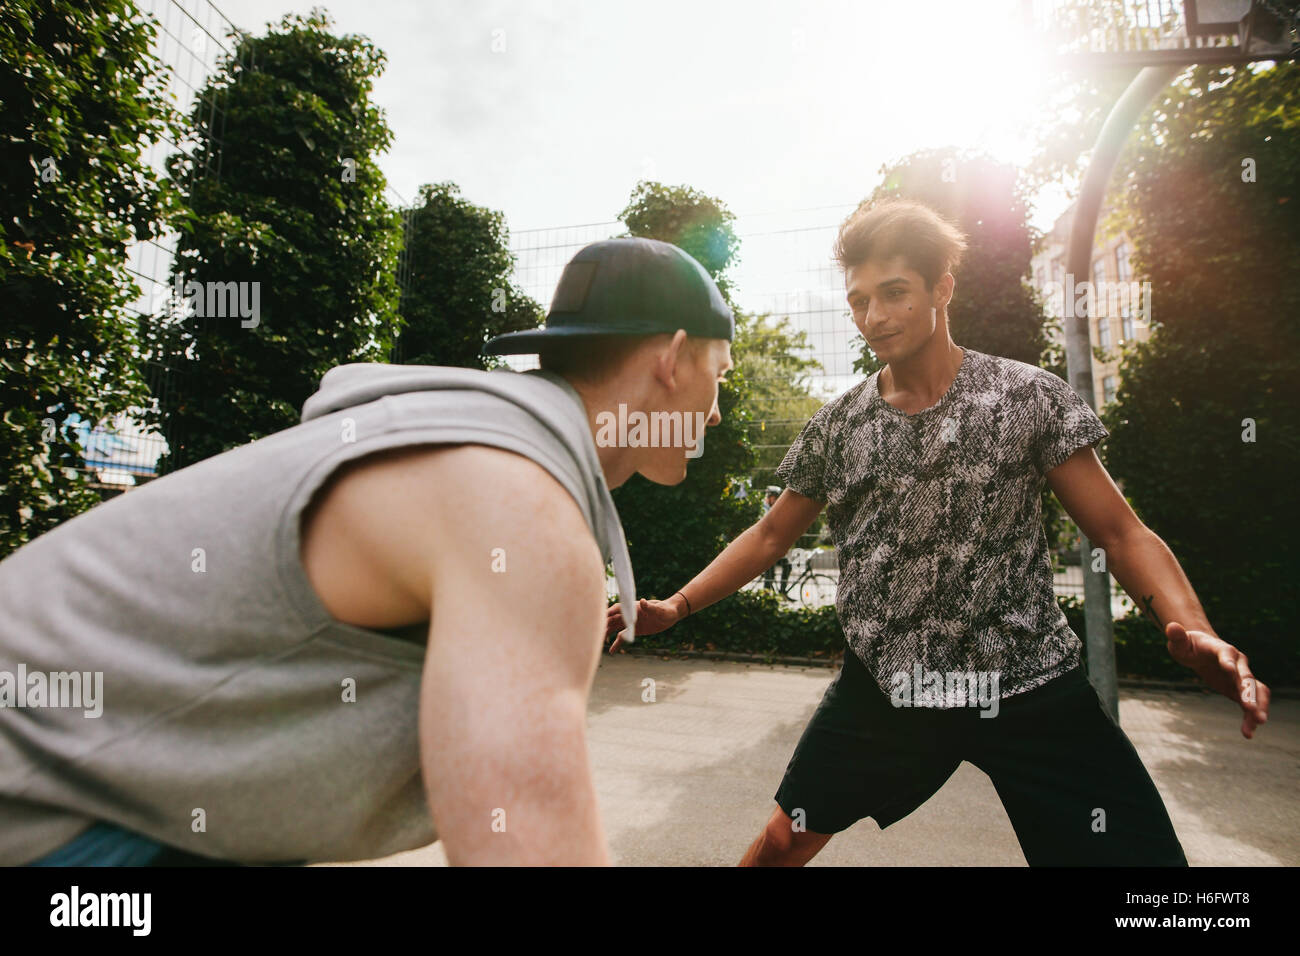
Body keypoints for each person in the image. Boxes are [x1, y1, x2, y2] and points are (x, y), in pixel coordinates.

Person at [0, 237, 734, 866]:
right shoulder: (526, 510)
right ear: (671, 359)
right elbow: (527, 846)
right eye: (721, 374)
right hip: (47, 809)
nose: (719, 408)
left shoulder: (471, 440)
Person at [606, 199, 1270, 867]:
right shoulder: (839, 426)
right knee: (783, 842)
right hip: (891, 688)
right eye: (860, 300)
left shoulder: (1024, 398)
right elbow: (772, 534)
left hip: (1026, 681)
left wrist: (1194, 628)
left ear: (942, 289)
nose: (874, 317)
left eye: (894, 293)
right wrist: (678, 606)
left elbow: (1122, 533)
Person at [760, 486, 794, 599]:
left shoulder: (774, 510)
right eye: (774, 498)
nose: (776, 501)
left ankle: (782, 592)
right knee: (770, 573)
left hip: (773, 548)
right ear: (769, 498)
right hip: (763, 549)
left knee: (787, 566)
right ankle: (766, 597)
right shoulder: (763, 510)